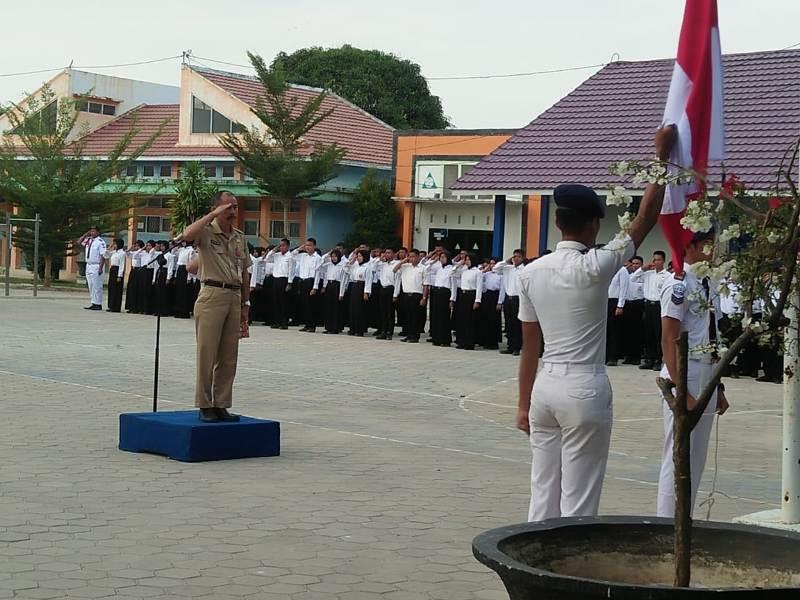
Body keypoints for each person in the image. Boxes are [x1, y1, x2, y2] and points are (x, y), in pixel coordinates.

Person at [516, 125, 676, 522]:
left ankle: (534, 568)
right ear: (592, 226)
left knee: (543, 494)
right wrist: (661, 157)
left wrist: (522, 405)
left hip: (544, 389)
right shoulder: (598, 264)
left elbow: (529, 348)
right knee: (579, 501)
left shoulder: (530, 273)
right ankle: (569, 573)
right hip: (584, 386)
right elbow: (645, 217)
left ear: (557, 225)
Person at [657, 228, 729, 517]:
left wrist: (718, 387)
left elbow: (712, 335)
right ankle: (666, 524)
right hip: (686, 373)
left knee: (696, 458)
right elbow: (668, 338)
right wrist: (680, 390)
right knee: (678, 456)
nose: (713, 252)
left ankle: (683, 521)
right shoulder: (679, 284)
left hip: (708, 370)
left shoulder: (708, 283)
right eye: (708, 245)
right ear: (691, 246)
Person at [181, 191, 252, 423]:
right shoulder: (206, 233)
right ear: (217, 208)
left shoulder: (240, 237)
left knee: (229, 356)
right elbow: (186, 235)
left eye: (235, 207)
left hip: (233, 296)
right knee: (207, 353)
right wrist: (212, 214)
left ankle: (221, 404)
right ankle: (204, 404)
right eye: (228, 207)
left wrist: (245, 304)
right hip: (212, 294)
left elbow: (244, 272)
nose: (233, 212)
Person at [631, 250, 670, 370]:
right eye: (654, 260)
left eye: (658, 260)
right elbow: (633, 278)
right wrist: (643, 268)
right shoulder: (648, 274)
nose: (656, 262)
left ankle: (659, 359)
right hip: (648, 305)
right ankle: (649, 359)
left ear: (663, 261)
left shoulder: (667, 275)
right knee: (648, 333)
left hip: (659, 305)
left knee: (658, 333)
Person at [494, 250, 525, 355]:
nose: (516, 258)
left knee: (517, 324)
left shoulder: (524, 269)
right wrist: (507, 261)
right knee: (509, 324)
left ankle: (517, 347)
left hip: (518, 299)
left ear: (523, 258)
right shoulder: (508, 268)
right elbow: (496, 268)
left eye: (519, 257)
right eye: (514, 256)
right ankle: (510, 346)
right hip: (508, 298)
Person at [426, 250, 458, 347]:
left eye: (444, 257)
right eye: (441, 257)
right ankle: (436, 338)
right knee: (436, 316)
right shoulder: (438, 268)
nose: (442, 259)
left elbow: (453, 285)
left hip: (445, 293)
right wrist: (433, 260)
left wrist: (452, 299)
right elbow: (426, 268)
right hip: (437, 292)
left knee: (444, 317)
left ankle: (445, 339)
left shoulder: (451, 269)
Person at [393, 249, 426, 343]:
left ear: (418, 257)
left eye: (413, 256)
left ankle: (415, 336)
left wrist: (424, 297)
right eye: (410, 256)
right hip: (406, 294)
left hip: (416, 294)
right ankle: (408, 335)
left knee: (415, 317)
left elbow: (425, 284)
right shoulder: (405, 266)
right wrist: (403, 261)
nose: (411, 259)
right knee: (407, 316)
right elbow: (394, 270)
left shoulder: (423, 268)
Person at [293, 238, 324, 332]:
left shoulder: (317, 258)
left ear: (314, 246)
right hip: (302, 281)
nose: (308, 247)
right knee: (304, 305)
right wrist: (299, 249)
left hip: (311, 281)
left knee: (311, 305)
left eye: (310, 245)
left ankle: (312, 325)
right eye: (306, 245)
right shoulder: (302, 256)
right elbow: (291, 256)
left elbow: (318, 273)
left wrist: (315, 287)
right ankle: (306, 324)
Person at [453, 253, 482, 350]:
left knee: (470, 320)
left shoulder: (477, 272)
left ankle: (469, 342)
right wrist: (459, 264)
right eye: (466, 260)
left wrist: (477, 300)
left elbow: (479, 287)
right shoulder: (463, 270)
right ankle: (461, 341)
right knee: (462, 319)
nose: (467, 262)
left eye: (469, 260)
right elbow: (453, 273)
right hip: (462, 295)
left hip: (471, 295)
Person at [264, 239, 294, 330]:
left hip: (284, 280)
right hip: (275, 279)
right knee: (275, 301)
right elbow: (267, 258)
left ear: (288, 246)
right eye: (280, 245)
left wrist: (290, 283)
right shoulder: (276, 255)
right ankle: (276, 321)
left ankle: (284, 322)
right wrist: (274, 249)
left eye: (283, 245)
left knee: (283, 302)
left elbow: (291, 270)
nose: (281, 247)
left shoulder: (290, 257)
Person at [342, 248, 373, 336]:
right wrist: (352, 260)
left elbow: (368, 280)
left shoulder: (367, 267)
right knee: (353, 308)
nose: (358, 258)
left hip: (362, 287)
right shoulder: (355, 265)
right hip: (354, 286)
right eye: (358, 256)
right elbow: (345, 268)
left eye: (360, 256)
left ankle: (360, 329)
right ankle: (353, 328)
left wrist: (366, 292)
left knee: (360, 309)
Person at [315, 249, 346, 334]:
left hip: (337, 285)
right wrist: (326, 255)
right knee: (328, 307)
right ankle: (329, 327)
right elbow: (318, 267)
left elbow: (344, 279)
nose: (333, 258)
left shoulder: (342, 265)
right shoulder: (328, 265)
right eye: (332, 256)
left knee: (336, 307)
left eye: (335, 256)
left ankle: (336, 327)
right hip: (329, 285)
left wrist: (341, 292)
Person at [622, 255, 645, 364]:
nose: (635, 266)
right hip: (627, 304)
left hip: (638, 304)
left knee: (638, 331)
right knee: (627, 331)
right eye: (633, 264)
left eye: (637, 264)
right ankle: (628, 355)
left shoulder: (644, 276)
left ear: (641, 265)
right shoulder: (626, 275)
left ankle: (636, 356)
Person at [606, 261, 630, 366]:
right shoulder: (605, 269)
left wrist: (620, 305)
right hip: (604, 301)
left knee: (614, 330)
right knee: (605, 330)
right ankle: (605, 355)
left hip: (614, 302)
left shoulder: (622, 270)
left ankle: (613, 357)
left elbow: (623, 289)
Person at [79, 226, 106, 310]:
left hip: (96, 265)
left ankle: (98, 303)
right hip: (88, 265)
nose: (92, 233)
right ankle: (93, 302)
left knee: (96, 285)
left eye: (94, 231)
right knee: (90, 285)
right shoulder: (88, 240)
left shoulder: (100, 242)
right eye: (91, 231)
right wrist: (85, 234)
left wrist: (100, 268)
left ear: (98, 232)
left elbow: (103, 255)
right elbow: (79, 242)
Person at [375, 248, 399, 340]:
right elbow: (373, 267)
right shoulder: (382, 264)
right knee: (382, 311)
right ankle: (383, 331)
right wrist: (379, 259)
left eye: (389, 253)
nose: (387, 254)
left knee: (390, 312)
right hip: (382, 288)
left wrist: (395, 294)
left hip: (391, 289)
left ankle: (389, 331)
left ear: (393, 254)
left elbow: (397, 280)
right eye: (386, 253)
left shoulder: (396, 264)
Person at [479, 259, 503, 350]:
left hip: (495, 296)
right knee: (485, 319)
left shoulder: (501, 276)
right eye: (491, 264)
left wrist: (499, 302)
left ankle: (493, 342)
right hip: (487, 296)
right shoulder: (487, 274)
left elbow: (502, 289)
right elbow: (479, 276)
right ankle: (485, 340)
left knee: (494, 320)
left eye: (494, 264)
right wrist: (485, 269)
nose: (492, 265)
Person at [106, 239, 126, 313]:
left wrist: (119, 276)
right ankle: (111, 305)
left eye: (115, 244)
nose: (114, 245)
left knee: (116, 289)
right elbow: (106, 255)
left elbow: (122, 265)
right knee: (111, 288)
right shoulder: (114, 252)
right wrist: (109, 248)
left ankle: (116, 307)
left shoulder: (122, 253)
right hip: (113, 269)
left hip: (117, 271)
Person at [125, 240, 145, 313]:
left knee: (137, 289)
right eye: (135, 245)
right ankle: (131, 307)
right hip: (133, 270)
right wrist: (130, 249)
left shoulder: (141, 253)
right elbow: (127, 253)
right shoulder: (134, 252)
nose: (135, 247)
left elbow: (136, 255)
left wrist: (140, 249)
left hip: (138, 271)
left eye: (137, 246)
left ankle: (137, 307)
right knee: (131, 288)